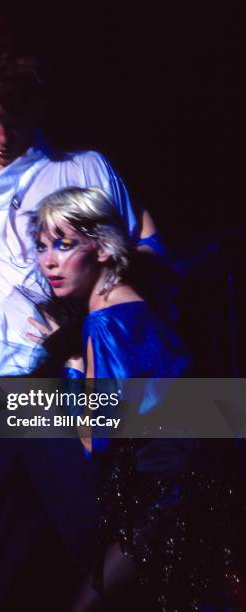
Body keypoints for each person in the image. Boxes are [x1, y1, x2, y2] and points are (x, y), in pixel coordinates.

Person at [0, 46, 162, 610]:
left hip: (81, 387)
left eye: (11, 118)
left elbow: (146, 254)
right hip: (3, 405)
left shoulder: (81, 168)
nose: (0, 135)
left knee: (107, 550)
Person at [30, 186, 243, 611]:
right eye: (41, 247)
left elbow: (95, 440)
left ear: (104, 249)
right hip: (191, 490)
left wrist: (69, 362)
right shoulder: (137, 304)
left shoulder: (106, 324)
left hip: (166, 504)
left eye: (65, 244)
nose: (48, 261)